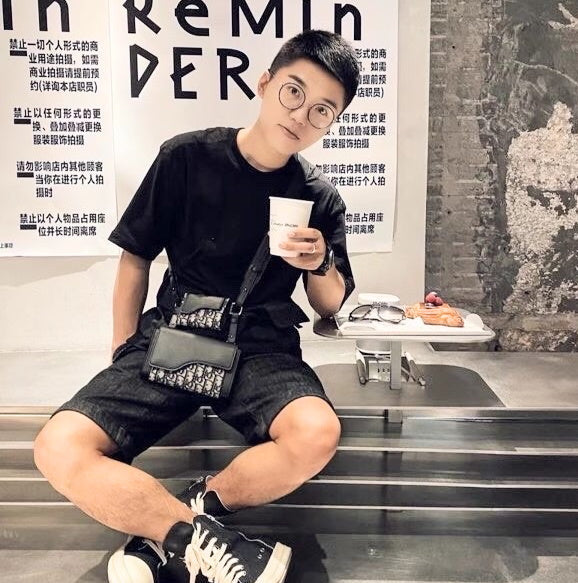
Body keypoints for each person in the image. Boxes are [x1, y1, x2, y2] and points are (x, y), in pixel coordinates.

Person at [34, 29, 360, 583]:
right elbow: (135, 257)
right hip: (175, 333)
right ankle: (200, 540)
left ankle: (177, 519)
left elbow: (330, 304)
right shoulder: (186, 157)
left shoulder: (319, 195)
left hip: (262, 348)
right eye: (293, 92)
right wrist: (123, 348)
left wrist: (319, 260)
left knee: (316, 433)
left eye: (322, 111)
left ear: (332, 123)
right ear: (265, 83)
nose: (301, 115)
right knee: (57, 446)